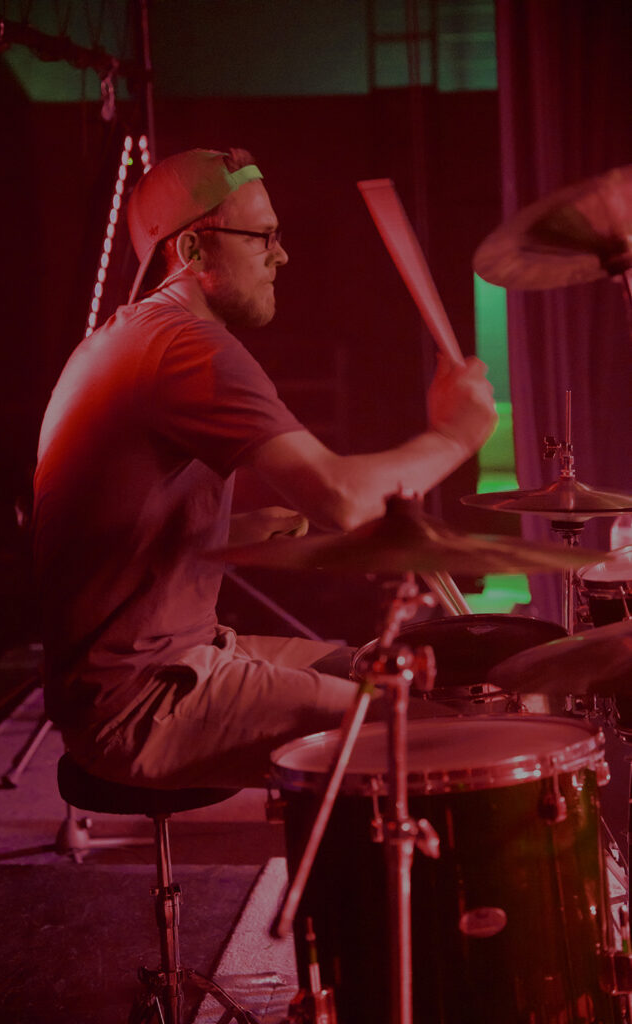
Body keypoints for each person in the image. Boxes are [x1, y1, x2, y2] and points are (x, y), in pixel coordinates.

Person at [32, 147, 497, 790]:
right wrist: (457, 434)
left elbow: (124, 522)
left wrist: (249, 526)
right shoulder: (186, 348)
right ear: (193, 251)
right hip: (139, 701)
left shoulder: (132, 337)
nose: (283, 256)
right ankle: (378, 889)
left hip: (174, 658)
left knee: (373, 668)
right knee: (423, 729)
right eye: (263, 237)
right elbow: (342, 497)